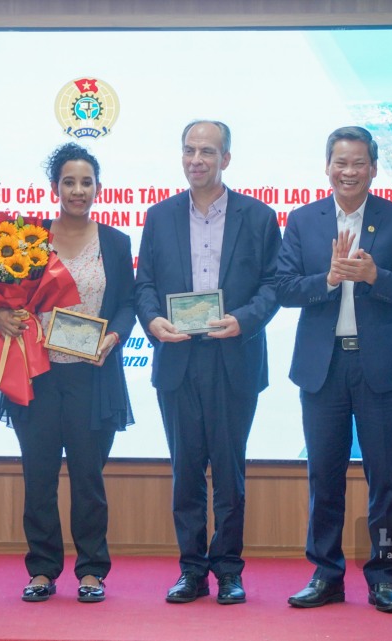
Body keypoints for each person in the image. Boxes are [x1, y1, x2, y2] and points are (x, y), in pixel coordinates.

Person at [276, 126, 392, 613]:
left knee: (385, 477)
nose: (349, 171)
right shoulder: (303, 220)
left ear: (373, 169)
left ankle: (383, 577)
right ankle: (326, 574)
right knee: (324, 476)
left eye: (358, 163)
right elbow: (282, 289)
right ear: (327, 166)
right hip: (323, 367)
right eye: (340, 162)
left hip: (380, 367)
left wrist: (373, 276)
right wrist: (328, 278)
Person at [134, 120, 281, 605]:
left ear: (226, 159)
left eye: (207, 152)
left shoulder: (258, 217)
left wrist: (244, 319)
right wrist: (153, 321)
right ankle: (191, 570)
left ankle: (229, 571)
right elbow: (144, 286)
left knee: (230, 472)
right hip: (177, 360)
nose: (197, 159)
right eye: (189, 150)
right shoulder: (159, 216)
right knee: (186, 471)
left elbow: (273, 286)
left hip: (233, 358)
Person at [0, 142, 135, 603]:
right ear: (55, 188)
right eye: (69, 182)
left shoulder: (115, 241)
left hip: (93, 376)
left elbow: (128, 304)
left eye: (86, 182)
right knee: (39, 475)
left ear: (98, 187)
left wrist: (114, 338)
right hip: (37, 373)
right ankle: (42, 570)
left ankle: (92, 571)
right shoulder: (28, 238)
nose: (78, 190)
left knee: (89, 477)